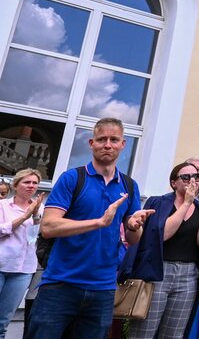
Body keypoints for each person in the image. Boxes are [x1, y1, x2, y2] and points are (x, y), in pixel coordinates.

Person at [26, 118, 153, 338]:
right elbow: (48, 226)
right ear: (92, 143)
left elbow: (133, 239)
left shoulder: (130, 186)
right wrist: (99, 222)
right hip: (60, 284)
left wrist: (134, 226)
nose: (108, 144)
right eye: (102, 139)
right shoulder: (72, 178)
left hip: (103, 288)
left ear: (123, 145)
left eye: (114, 140)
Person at [120, 162, 199, 339]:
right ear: (174, 182)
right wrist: (186, 203)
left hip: (188, 275)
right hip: (158, 272)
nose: (192, 181)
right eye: (186, 177)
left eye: (196, 177)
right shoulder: (158, 202)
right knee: (143, 333)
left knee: (174, 334)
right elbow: (162, 235)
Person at [0, 169, 43, 339]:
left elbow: (37, 237)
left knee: (3, 322)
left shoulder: (41, 208)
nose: (31, 186)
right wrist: (26, 216)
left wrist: (36, 216)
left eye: (34, 183)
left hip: (23, 270)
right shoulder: (2, 205)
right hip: (2, 264)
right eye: (27, 182)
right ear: (16, 185)